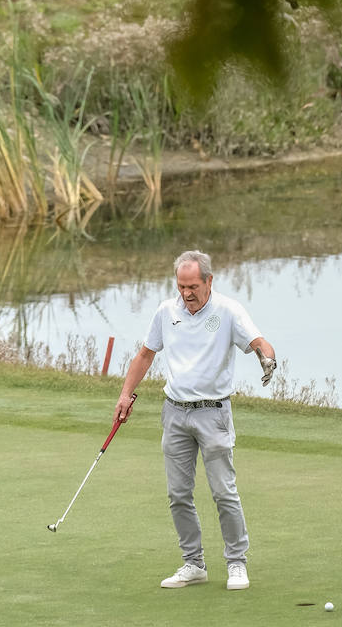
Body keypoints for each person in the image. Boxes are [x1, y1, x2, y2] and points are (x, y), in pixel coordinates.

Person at [114, 249, 277, 591]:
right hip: (174, 412)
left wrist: (267, 359)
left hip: (213, 413)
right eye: (181, 286)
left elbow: (259, 342)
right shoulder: (166, 311)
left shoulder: (229, 311)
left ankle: (236, 563)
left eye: (193, 286)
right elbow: (146, 354)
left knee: (224, 493)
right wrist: (125, 394)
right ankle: (194, 563)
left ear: (209, 281)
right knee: (178, 494)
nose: (187, 293)